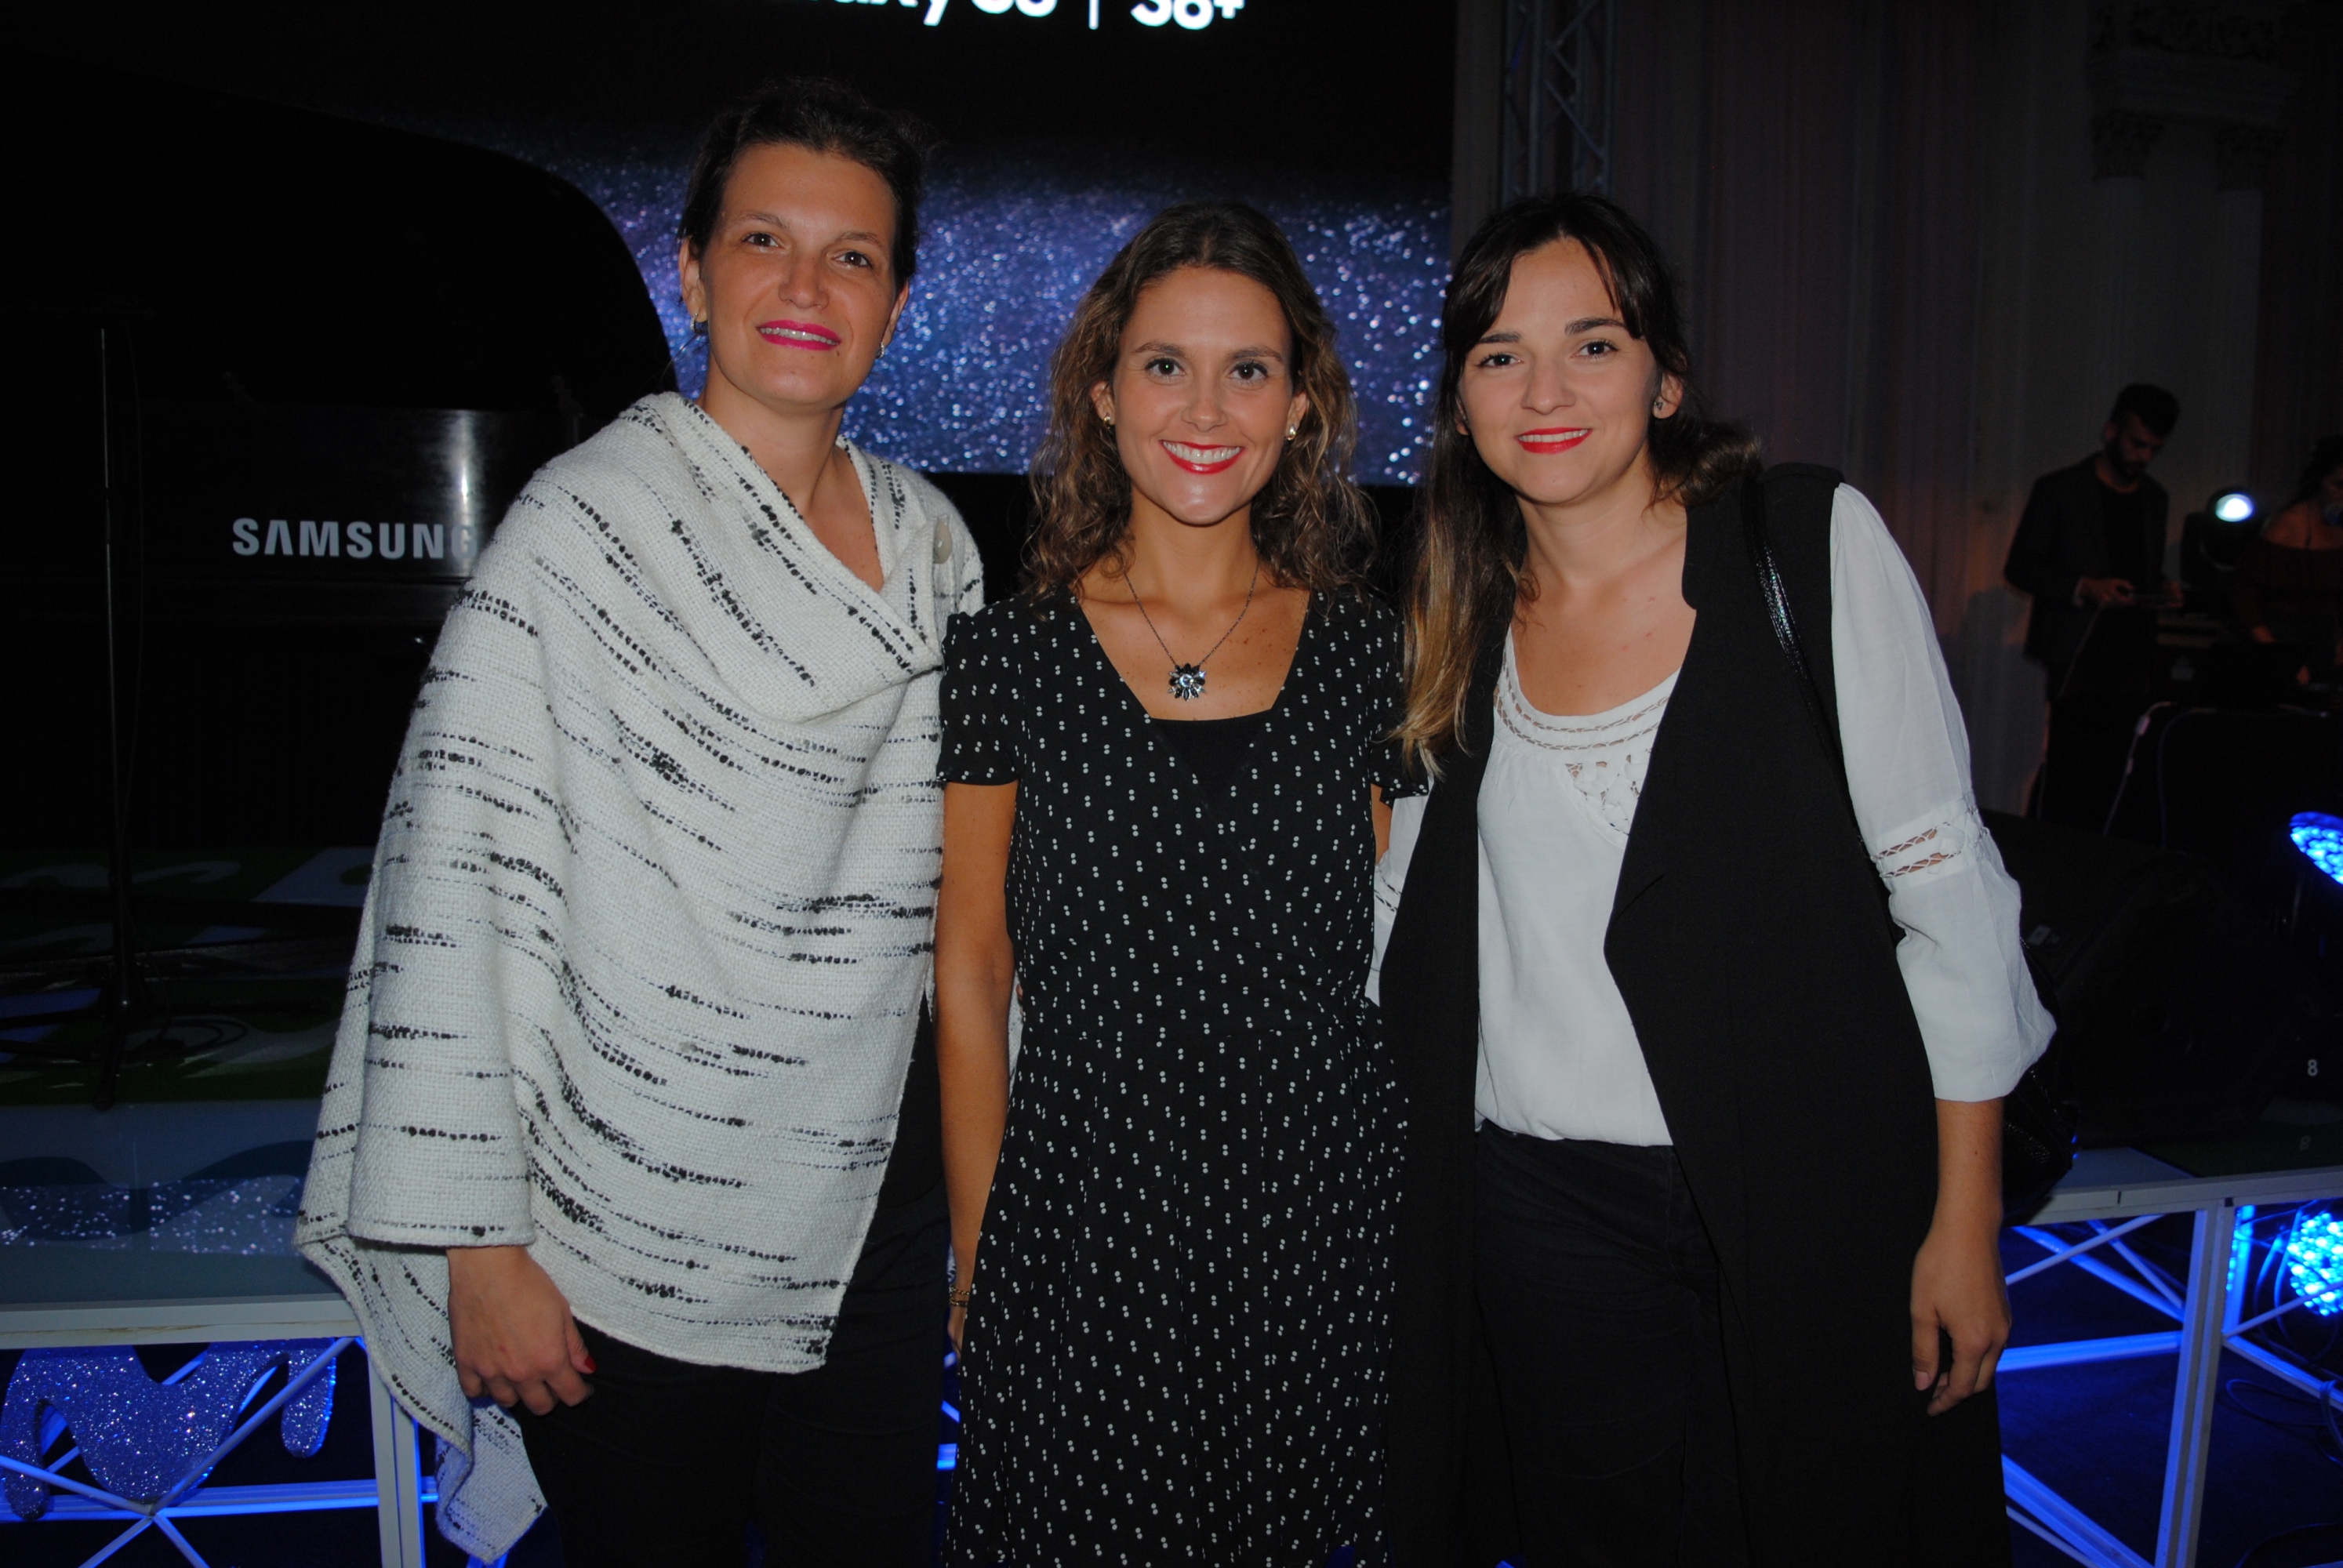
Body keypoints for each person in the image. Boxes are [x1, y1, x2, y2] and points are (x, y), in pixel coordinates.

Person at [296, 79, 981, 1567]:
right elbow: (454, 893)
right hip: (621, 1228)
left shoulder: (936, 545)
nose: (804, 288)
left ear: (897, 301)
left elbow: (969, 908)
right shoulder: (579, 533)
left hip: (873, 1213)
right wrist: (479, 1245)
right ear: (691, 270)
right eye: (763, 242)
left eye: (852, 257)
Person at [1376, 193, 2052, 1566]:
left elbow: (1948, 898)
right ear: (1459, 401)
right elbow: (1405, 918)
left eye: (1593, 344)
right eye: (1500, 355)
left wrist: (1962, 1219)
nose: (1545, 391)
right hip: (1544, 1217)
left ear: (1665, 378)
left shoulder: (1800, 547)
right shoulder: (1456, 613)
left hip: (1811, 1194)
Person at [933, 201, 1403, 1565]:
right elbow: (971, 966)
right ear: (1102, 390)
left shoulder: (1372, 657)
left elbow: (1401, 953)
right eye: (1163, 365)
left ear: (1300, 405)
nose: (1204, 409)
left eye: (1247, 369)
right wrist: (981, 1244)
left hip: (1316, 1231)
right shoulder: (1007, 656)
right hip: (1084, 1226)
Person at [2004, 383, 2183, 829]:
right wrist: (2084, 587)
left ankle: (2098, 853)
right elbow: (2021, 566)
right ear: (2111, 431)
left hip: (2134, 653)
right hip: (2078, 653)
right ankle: (2052, 852)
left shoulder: (2154, 497)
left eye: (2154, 448)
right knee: (2069, 768)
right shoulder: (2060, 489)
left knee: (2120, 769)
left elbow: (2142, 567)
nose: (2143, 456)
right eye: (2137, 444)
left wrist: (2162, 588)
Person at [2233, 434, 2343, 677]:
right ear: (2319, 481)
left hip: (2324, 645)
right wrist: (2280, 659)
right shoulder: (2288, 524)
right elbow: (2244, 599)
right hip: (2280, 642)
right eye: (2339, 486)